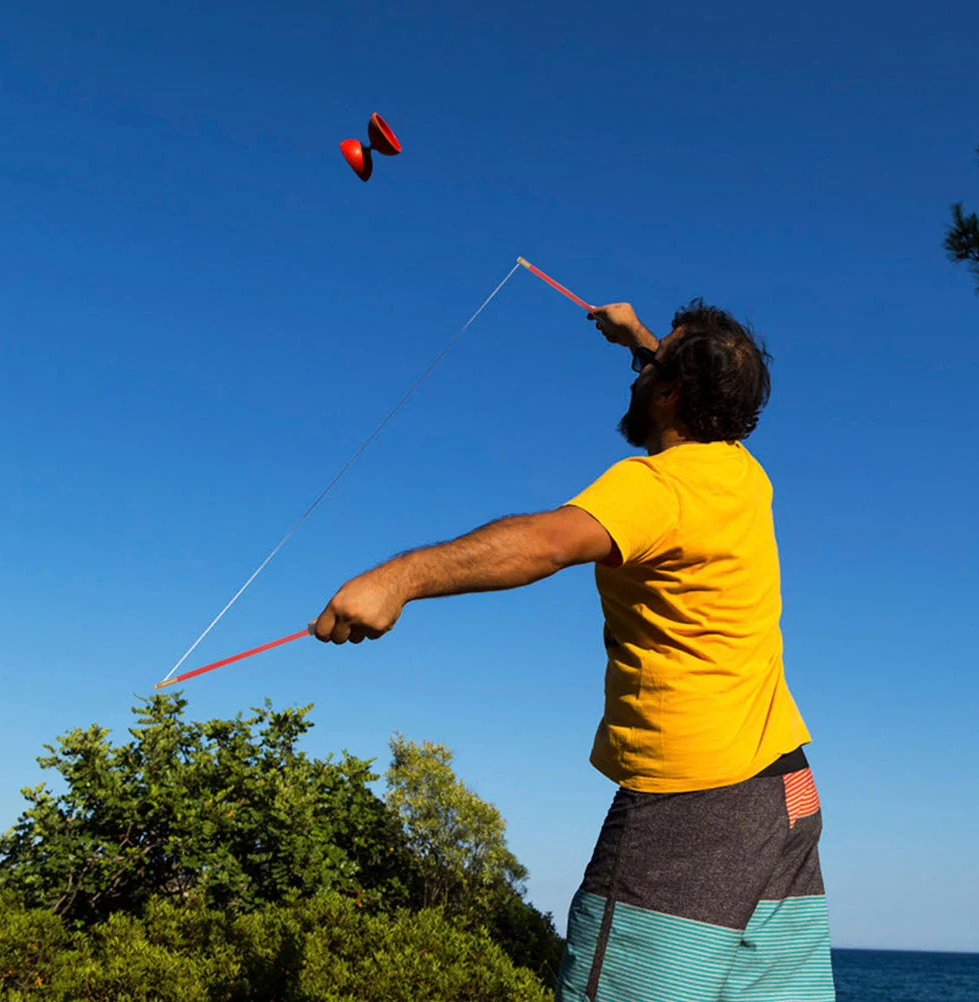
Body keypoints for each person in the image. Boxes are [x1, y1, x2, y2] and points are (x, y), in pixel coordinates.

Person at [312, 300, 835, 1002]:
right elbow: (699, 385)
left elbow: (545, 542)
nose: (636, 375)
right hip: (787, 795)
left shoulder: (655, 487)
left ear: (672, 390)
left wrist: (397, 580)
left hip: (692, 812)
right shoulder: (742, 473)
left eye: (652, 365)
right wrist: (645, 340)